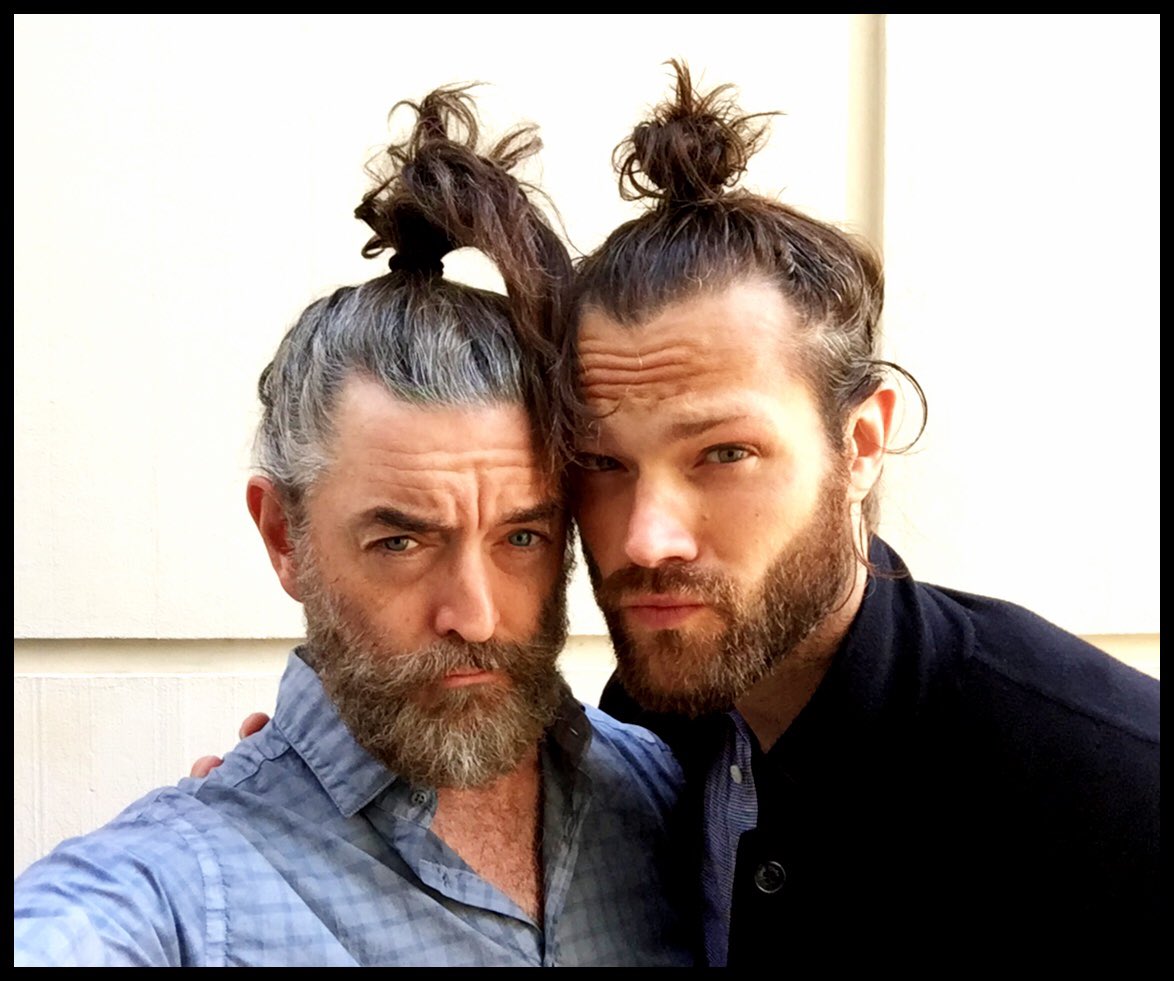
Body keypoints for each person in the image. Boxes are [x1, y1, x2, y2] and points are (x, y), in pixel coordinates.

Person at [12, 86, 695, 968]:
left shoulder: (675, 797)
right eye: (401, 541)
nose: (475, 614)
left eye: (521, 536)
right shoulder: (177, 894)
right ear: (284, 537)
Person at [563, 62, 1160, 960]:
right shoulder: (648, 727)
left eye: (724, 453)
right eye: (602, 462)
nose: (646, 537)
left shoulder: (1110, 781)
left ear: (861, 443)